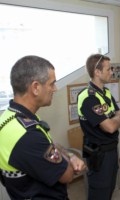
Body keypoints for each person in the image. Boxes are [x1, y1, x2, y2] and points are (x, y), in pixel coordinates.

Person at [0, 55, 86, 199]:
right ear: (35, 87)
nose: (55, 89)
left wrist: (69, 155)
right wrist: (70, 160)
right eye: (52, 84)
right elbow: (67, 175)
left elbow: (50, 145)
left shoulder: (12, 118)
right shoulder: (28, 136)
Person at [77, 54, 120, 200]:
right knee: (99, 192)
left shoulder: (106, 93)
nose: (111, 72)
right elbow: (110, 127)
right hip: (98, 153)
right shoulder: (88, 97)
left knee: (109, 189)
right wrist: (118, 119)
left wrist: (118, 118)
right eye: (108, 69)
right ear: (97, 72)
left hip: (111, 149)